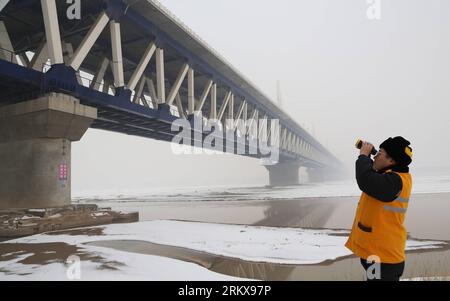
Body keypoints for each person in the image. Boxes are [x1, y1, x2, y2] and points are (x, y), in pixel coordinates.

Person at [346, 136, 413, 281]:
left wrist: (364, 156)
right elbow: (371, 173)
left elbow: (365, 179)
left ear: (391, 161)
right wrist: (369, 157)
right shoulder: (388, 177)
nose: (376, 156)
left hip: (384, 258)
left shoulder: (395, 181)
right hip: (377, 254)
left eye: (380, 153)